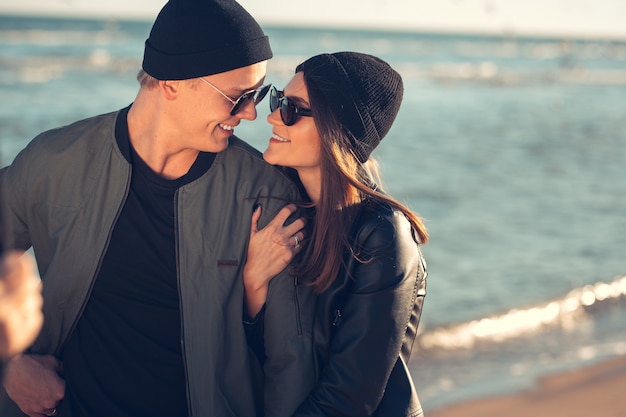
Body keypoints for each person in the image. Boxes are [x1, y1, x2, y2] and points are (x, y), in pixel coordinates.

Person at [0, 1, 315, 416]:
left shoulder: (265, 194)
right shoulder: (53, 161)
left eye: (256, 95)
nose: (251, 113)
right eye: (237, 97)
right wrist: (10, 365)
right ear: (171, 83)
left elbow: (291, 361)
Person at [243, 51, 429, 416]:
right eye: (279, 99)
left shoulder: (384, 238)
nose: (272, 116)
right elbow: (263, 351)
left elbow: (347, 400)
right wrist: (253, 281)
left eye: (293, 109)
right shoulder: (286, 215)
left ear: (336, 131)